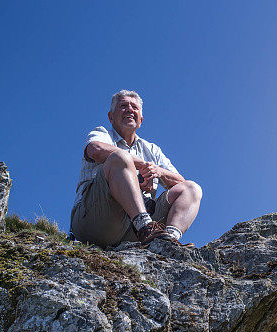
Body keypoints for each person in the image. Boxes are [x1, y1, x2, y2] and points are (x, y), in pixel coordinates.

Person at [70, 90, 202, 248]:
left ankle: (168, 242)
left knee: (192, 188)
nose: (129, 110)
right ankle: (145, 227)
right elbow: (94, 150)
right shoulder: (102, 133)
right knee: (121, 157)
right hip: (96, 220)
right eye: (123, 106)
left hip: (132, 231)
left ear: (141, 120)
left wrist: (158, 172)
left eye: (134, 107)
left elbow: (181, 181)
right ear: (111, 117)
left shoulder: (152, 149)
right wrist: (141, 165)